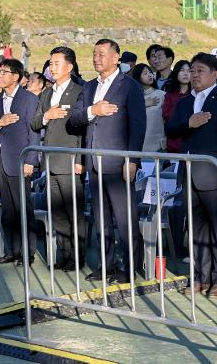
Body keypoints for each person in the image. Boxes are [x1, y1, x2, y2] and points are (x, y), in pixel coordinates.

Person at [165, 52, 217, 298]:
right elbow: (171, 130)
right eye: (192, 71)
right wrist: (190, 123)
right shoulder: (185, 103)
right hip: (189, 173)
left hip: (215, 175)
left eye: (200, 71)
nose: (194, 75)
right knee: (195, 229)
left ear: (214, 73)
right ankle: (199, 277)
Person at [69, 38, 146, 282]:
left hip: (118, 161)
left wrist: (132, 159)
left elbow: (138, 125)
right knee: (101, 220)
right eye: (94, 53)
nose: (96, 58)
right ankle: (107, 264)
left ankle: (131, 267)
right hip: (94, 161)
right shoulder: (89, 87)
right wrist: (94, 111)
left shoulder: (129, 86)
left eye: (102, 54)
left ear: (116, 57)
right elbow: (74, 120)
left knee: (125, 220)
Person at [31, 46, 86, 271]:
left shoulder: (79, 91)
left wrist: (81, 159)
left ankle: (78, 257)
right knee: (58, 213)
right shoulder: (47, 93)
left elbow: (84, 128)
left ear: (69, 67)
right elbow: (35, 123)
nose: (52, 68)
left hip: (71, 159)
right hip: (50, 161)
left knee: (74, 212)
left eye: (56, 63)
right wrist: (47, 115)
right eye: (50, 64)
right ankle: (64, 255)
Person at [0, 58, 40, 265]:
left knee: (23, 208)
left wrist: (31, 160)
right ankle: (12, 250)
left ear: (16, 76)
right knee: (7, 209)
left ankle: (28, 252)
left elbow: (34, 132)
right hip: (1, 160)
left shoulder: (28, 99)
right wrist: (0, 123)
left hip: (20, 160)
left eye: (4, 72)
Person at [131, 63, 166, 154]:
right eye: (145, 73)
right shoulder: (133, 97)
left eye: (150, 72)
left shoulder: (161, 95)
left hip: (159, 145)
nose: (150, 75)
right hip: (139, 145)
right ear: (138, 77)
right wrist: (142, 104)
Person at [161, 60, 192, 154]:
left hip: (190, 142)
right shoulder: (170, 94)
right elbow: (166, 115)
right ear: (176, 73)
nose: (186, 74)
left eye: (189, 70)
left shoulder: (196, 94)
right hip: (174, 142)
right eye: (182, 70)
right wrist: (181, 103)